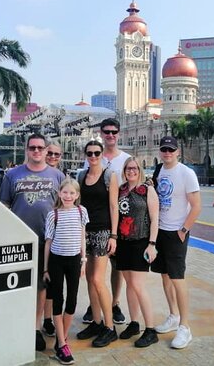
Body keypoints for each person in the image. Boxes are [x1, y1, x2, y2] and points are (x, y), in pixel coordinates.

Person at [0, 133, 65, 352]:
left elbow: (65, 209)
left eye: (40, 148)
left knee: (41, 288)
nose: (36, 151)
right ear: (27, 150)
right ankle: (16, 324)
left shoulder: (57, 176)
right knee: (16, 285)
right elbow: (3, 206)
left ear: (47, 151)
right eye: (32, 148)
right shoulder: (12, 175)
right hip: (18, 241)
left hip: (47, 242)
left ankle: (36, 328)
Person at [151, 136, 201, 349]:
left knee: (177, 278)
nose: (167, 153)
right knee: (165, 276)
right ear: (160, 151)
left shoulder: (186, 173)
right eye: (164, 149)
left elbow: (196, 206)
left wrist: (183, 230)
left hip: (176, 233)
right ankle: (173, 315)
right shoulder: (158, 171)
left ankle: (185, 326)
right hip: (160, 231)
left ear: (177, 151)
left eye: (171, 150)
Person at [81, 118, 131, 326]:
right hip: (93, 224)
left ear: (119, 133)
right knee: (94, 274)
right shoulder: (88, 165)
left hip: (118, 221)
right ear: (101, 133)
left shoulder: (126, 158)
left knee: (116, 266)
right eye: (107, 131)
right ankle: (95, 311)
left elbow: (133, 186)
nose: (110, 134)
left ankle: (114, 304)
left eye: (114, 131)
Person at [76, 140, 119, 347]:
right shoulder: (82, 176)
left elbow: (113, 206)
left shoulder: (110, 176)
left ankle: (110, 328)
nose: (93, 156)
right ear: (86, 155)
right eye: (90, 153)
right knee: (89, 281)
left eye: (96, 153)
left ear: (102, 155)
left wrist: (113, 235)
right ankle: (96, 321)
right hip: (86, 231)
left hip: (102, 231)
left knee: (97, 279)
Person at [115, 157, 160, 348]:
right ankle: (134, 323)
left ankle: (150, 330)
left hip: (141, 242)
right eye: (128, 168)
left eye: (134, 168)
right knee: (129, 284)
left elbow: (155, 218)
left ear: (139, 170)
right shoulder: (121, 190)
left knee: (138, 285)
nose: (131, 171)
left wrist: (152, 244)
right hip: (123, 243)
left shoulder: (147, 190)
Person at [43, 178, 88, 365]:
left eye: (72, 193)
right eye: (65, 192)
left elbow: (82, 237)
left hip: (74, 260)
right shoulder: (54, 215)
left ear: (77, 195)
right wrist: (45, 268)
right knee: (57, 300)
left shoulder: (81, 211)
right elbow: (48, 241)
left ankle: (64, 338)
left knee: (72, 300)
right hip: (56, 261)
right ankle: (61, 343)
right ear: (59, 194)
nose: (68, 196)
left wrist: (83, 261)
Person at [41, 140, 64, 337]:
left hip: (53, 236)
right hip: (32, 233)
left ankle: (47, 319)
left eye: (57, 154)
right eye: (50, 153)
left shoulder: (60, 177)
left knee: (51, 282)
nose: (53, 157)